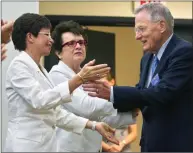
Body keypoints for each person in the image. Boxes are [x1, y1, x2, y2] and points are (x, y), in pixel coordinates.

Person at [83, 2, 193, 152]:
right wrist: (108, 97)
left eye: (141, 29)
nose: (137, 36)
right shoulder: (147, 58)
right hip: (150, 144)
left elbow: (163, 93)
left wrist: (113, 92)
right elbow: (142, 92)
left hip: (175, 145)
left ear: (161, 26)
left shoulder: (183, 52)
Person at [4, 13, 119, 152]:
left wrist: (94, 125)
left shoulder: (41, 69)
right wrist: (79, 79)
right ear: (30, 37)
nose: (51, 40)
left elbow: (55, 113)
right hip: (25, 147)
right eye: (46, 34)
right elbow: (40, 101)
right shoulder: (19, 65)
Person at [49, 20, 136, 152]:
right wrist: (127, 100)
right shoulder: (57, 74)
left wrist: (130, 114)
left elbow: (101, 117)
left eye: (81, 42)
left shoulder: (87, 75)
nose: (78, 46)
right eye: (71, 43)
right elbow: (86, 107)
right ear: (58, 52)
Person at [101, 74, 138, 152]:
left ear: (112, 81)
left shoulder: (123, 102)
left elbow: (134, 133)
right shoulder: (95, 104)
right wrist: (108, 148)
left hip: (124, 149)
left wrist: (122, 144)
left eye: (103, 82)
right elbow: (91, 133)